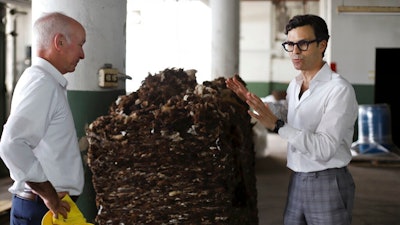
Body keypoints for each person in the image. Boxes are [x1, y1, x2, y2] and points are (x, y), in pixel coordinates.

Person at [226, 14, 358, 225]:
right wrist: (254, 102)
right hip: (298, 178)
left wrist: (278, 126)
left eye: (303, 44)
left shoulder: (339, 90)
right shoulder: (295, 84)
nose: (295, 52)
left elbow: (324, 148)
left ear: (322, 45)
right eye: (290, 44)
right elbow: (290, 111)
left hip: (327, 180)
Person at [0, 12, 86, 225]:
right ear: (60, 41)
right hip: (42, 209)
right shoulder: (42, 83)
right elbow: (12, 144)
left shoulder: (44, 80)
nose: (83, 54)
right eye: (80, 44)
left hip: (44, 206)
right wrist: (49, 195)